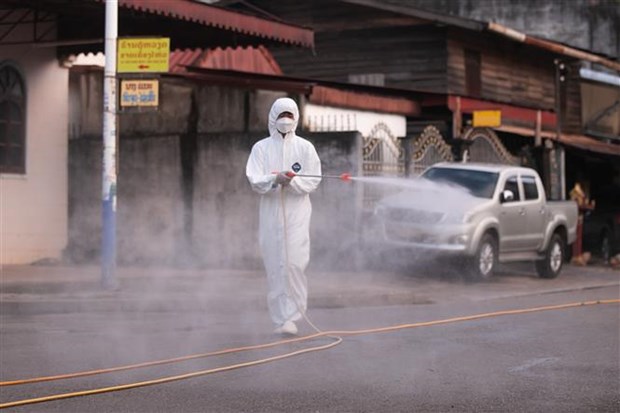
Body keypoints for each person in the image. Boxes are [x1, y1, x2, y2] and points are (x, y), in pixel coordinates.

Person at [246, 98, 322, 335]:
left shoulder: (305, 148)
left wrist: (293, 182)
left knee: (294, 262)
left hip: (297, 212)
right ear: (273, 118)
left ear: (296, 117)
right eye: (281, 115)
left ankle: (293, 315)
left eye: (289, 115)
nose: (285, 120)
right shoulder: (261, 148)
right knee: (275, 263)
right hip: (270, 213)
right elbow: (254, 179)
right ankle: (281, 319)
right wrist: (274, 180)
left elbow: (314, 179)